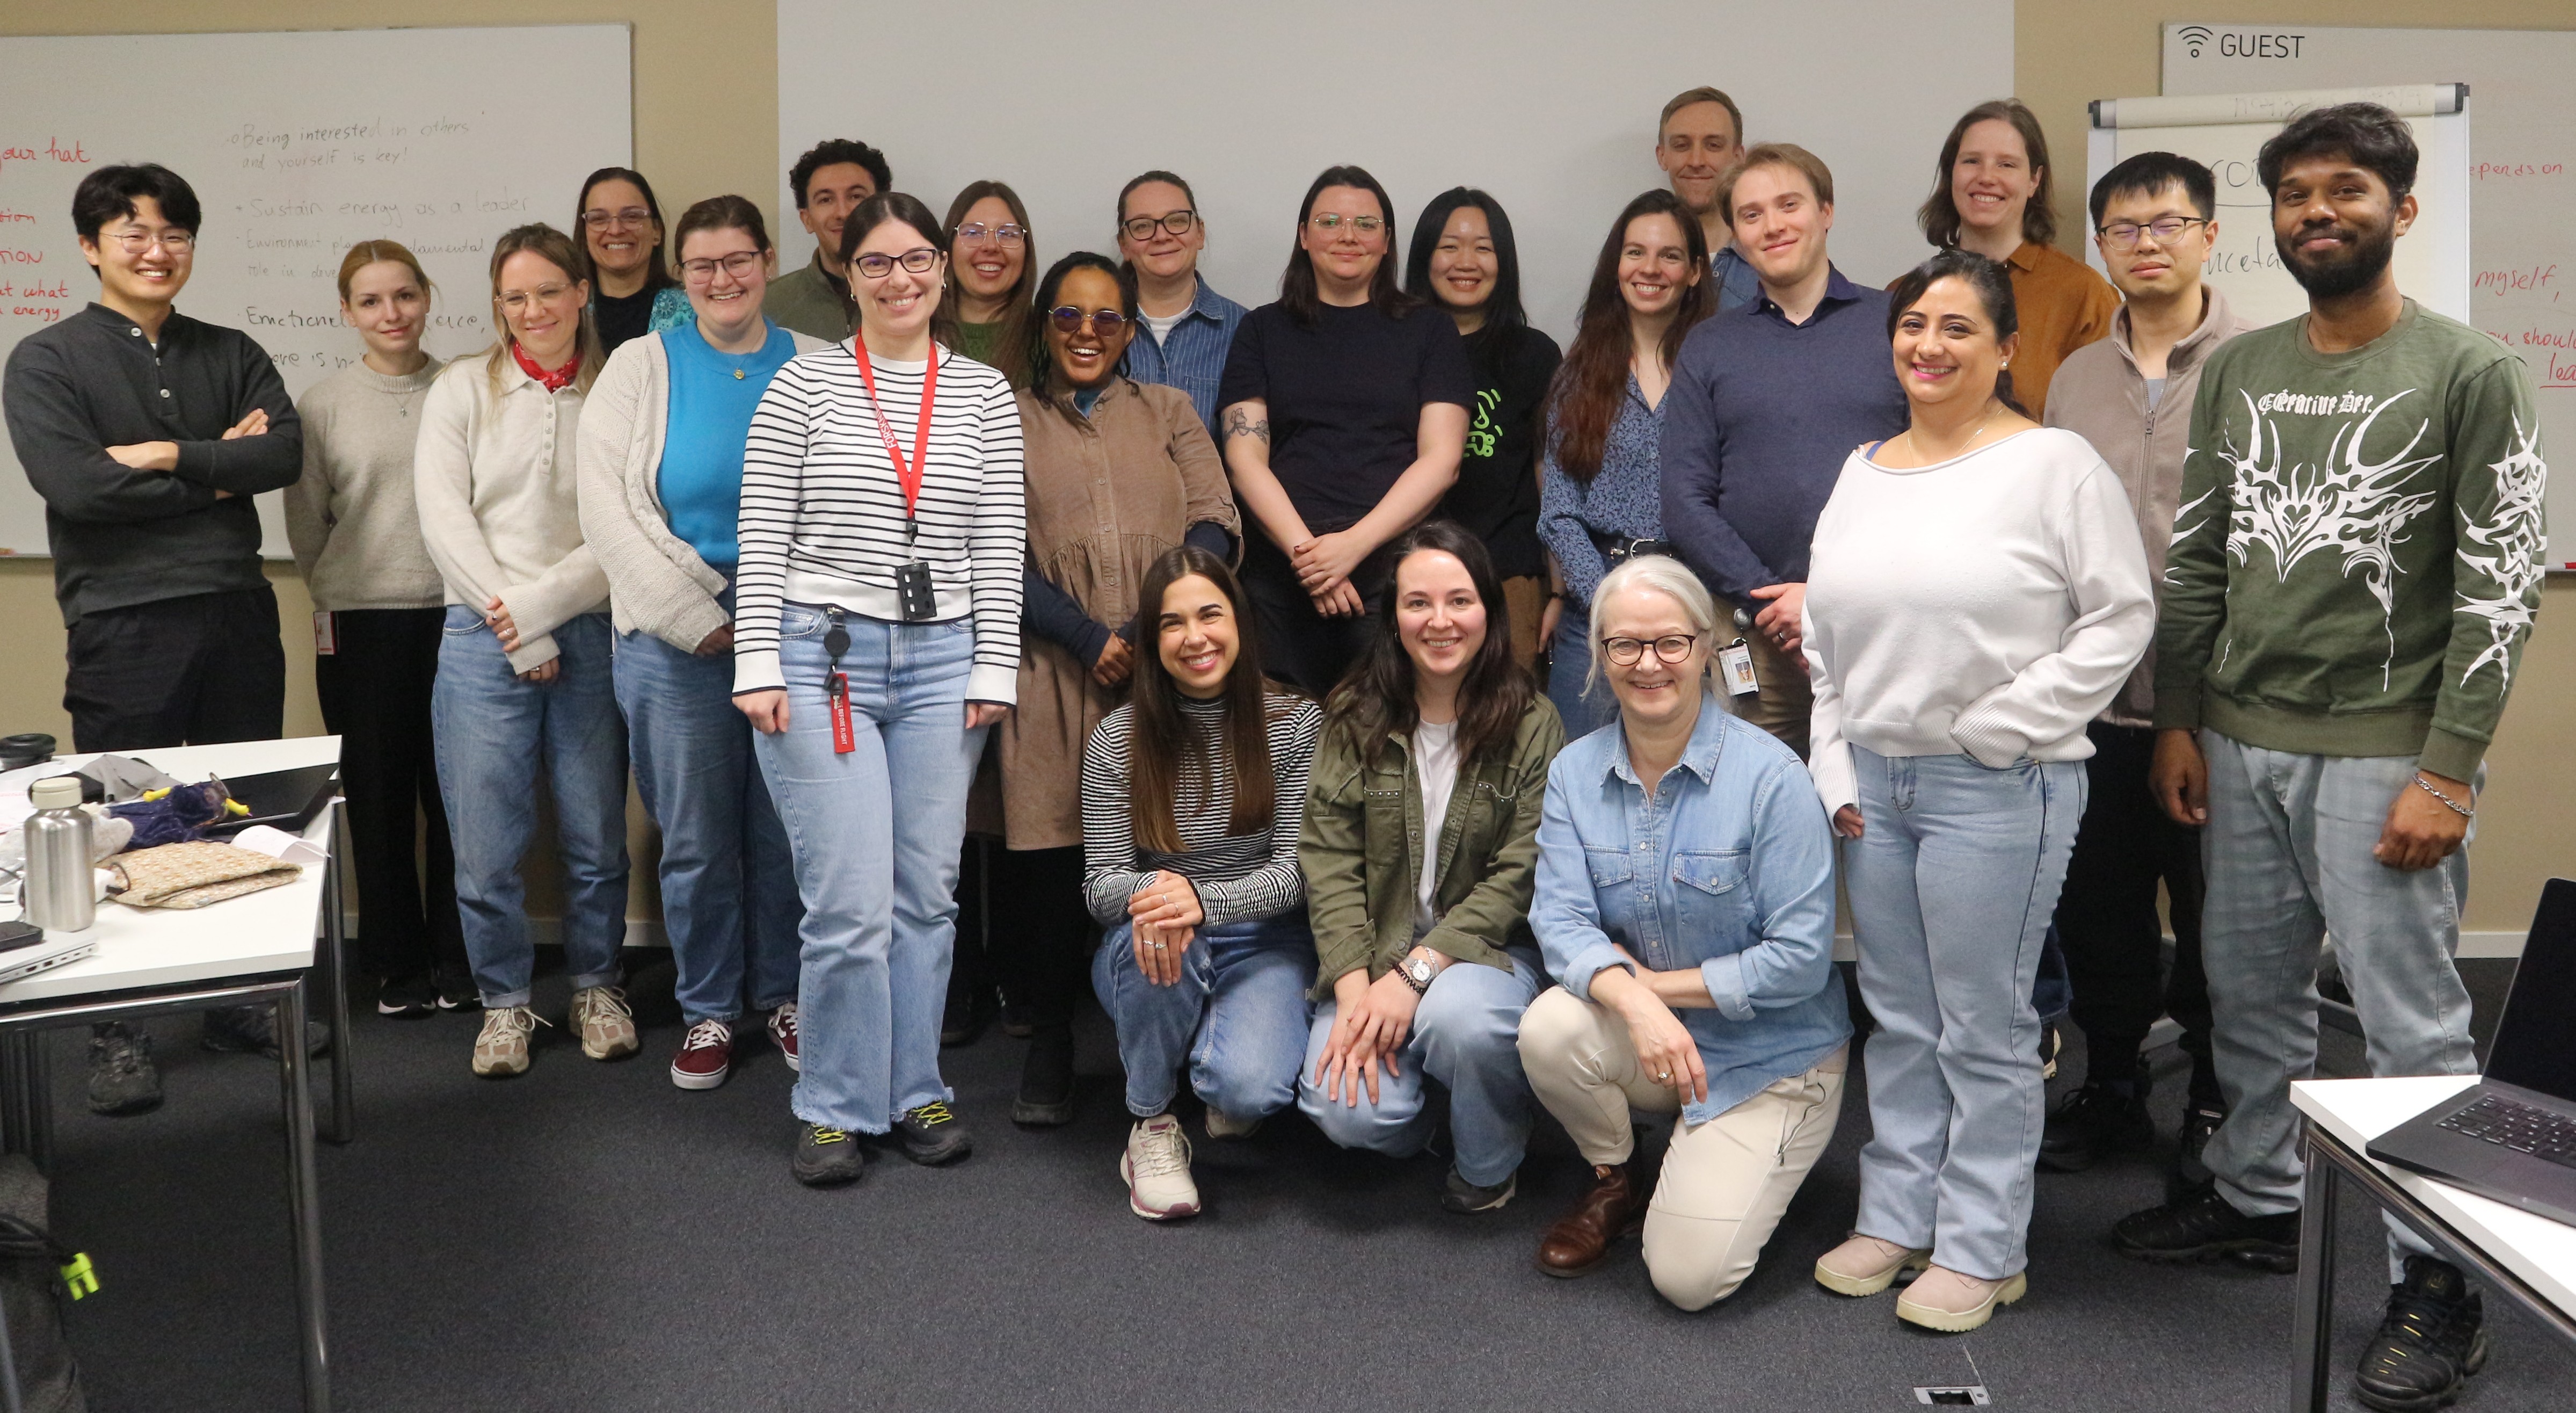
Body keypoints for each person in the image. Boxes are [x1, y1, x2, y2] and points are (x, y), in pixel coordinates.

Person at [2110, 104, 2548, 1413]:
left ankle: (2444, 1278)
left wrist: (2449, 766)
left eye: (2344, 190)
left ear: (2398, 211)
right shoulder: (2238, 372)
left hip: (2383, 756)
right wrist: (2179, 715)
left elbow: (2499, 587)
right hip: (2238, 743)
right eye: (2295, 194)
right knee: (2245, 995)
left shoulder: (2466, 370)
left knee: (2412, 1029)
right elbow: (2196, 559)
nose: (2317, 211)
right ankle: (2259, 1196)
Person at [1804, 250, 2153, 1332]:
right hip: (1877, 782)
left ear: (2005, 349)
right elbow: (1824, 636)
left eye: (1957, 328)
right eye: (1912, 324)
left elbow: (2120, 615)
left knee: (1983, 1025)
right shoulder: (1862, 466)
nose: (1927, 345)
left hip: (1998, 784)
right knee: (1898, 1017)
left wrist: (2003, 723)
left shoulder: (2052, 465)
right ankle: (1897, 1215)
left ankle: (1981, 1242)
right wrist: (1831, 758)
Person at [2, 162, 316, 1115]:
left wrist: (174, 453)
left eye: (174, 233)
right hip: (121, 621)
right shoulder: (47, 361)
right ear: (92, 247)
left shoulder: (230, 348)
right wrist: (222, 473)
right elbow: (82, 487)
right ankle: (118, 1028)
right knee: (115, 825)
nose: (156, 250)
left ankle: (237, 1003)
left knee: (235, 811)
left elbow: (285, 453)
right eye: (132, 233)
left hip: (235, 607)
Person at [733, 192, 1025, 1189]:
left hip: (947, 661)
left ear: (942, 267)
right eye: (876, 265)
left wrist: (995, 667)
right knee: (848, 902)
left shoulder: (982, 394)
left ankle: (913, 1089)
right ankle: (831, 1103)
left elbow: (996, 542)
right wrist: (757, 669)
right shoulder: (801, 388)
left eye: (916, 260)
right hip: (823, 661)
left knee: (924, 898)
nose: (900, 280)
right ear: (847, 276)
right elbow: (761, 533)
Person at [1518, 554, 1848, 1306]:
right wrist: (1637, 1007)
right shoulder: (1573, 771)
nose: (1648, 664)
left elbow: (1798, 961)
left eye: (1670, 642)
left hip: (1774, 1057)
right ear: (1599, 657)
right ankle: (1618, 1173)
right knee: (1547, 1025)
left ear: (1705, 647)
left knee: (1687, 1279)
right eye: (1624, 645)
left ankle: (1733, 1159)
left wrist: (1645, 988)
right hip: (1658, 1039)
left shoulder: (1772, 776)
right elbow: (1558, 918)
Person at [2033, 152, 2252, 1180]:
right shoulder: (2074, 378)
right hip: (2093, 710)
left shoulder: (2264, 363)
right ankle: (2112, 1082)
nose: (2146, 243)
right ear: (2103, 246)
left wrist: (2199, 707)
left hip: (2218, 711)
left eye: (2167, 224)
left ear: (2208, 234)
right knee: (2099, 915)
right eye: (2123, 228)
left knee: (2217, 924)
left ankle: (2215, 1097)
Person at [578, 196, 828, 1091]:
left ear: (767, 260)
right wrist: (698, 614)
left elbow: (836, 510)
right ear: (680, 277)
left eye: (737, 260)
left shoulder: (816, 364)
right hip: (671, 645)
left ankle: (785, 994)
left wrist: (765, 617)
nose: (722, 280)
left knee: (786, 832)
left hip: (791, 637)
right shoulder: (639, 367)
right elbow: (607, 512)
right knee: (693, 838)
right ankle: (711, 1009)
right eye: (701, 266)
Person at [1000, 251, 1239, 1126]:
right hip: (1051, 664)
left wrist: (1143, 633)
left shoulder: (1171, 411)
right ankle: (1051, 1039)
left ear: (1130, 332)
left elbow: (1215, 520)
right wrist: (1085, 636)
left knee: (1172, 849)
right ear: (1045, 327)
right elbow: (994, 552)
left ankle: (1175, 1038)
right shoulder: (1009, 418)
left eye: (1107, 319)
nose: (1088, 333)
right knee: (1054, 853)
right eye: (1069, 317)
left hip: (1165, 664)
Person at [415, 223, 633, 1079]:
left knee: (594, 836)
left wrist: (542, 613)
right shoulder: (464, 387)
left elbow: (624, 524)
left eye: (550, 290)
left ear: (582, 291)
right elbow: (444, 518)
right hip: (479, 636)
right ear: (497, 306)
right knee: (486, 844)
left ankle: (595, 985)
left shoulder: (623, 387)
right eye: (514, 296)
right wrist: (519, 626)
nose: (533, 309)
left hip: (591, 631)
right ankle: (504, 1002)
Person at [1297, 522, 1561, 1212]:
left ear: (1489, 613)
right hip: (1374, 956)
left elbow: (1519, 875)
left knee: (1462, 1022)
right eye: (1417, 603)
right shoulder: (1353, 715)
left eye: (1459, 601)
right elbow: (1326, 862)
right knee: (1345, 1112)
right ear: (1393, 617)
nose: (1439, 621)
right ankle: (1435, 1117)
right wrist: (1357, 995)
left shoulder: (1534, 722)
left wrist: (1415, 977)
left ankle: (1488, 1160)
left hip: (1484, 960)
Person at [1085, 546, 1320, 1220]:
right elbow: (1101, 887)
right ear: (1152, 639)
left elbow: (1297, 875)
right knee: (1160, 936)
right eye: (1171, 623)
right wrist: (1162, 898)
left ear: (1239, 623)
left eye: (1210, 615)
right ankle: (1152, 1124)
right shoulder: (1116, 739)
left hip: (1266, 941)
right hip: (1151, 947)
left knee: (1247, 1090)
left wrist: (1204, 900)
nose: (1195, 638)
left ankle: (1206, 1059)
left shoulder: (1296, 724)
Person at [1661, 144, 1908, 760]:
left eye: (1788, 205)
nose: (1771, 226)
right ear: (1736, 237)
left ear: (1825, 212)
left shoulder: (1897, 325)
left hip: (1882, 627)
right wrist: (1773, 603)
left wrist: (1824, 602)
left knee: (1870, 818)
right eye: (1750, 215)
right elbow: (1684, 497)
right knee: (1759, 819)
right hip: (1753, 636)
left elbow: (1932, 476)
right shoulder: (1710, 346)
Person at [286, 240, 472, 1018]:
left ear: (428, 296)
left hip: (461, 615)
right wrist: (345, 590)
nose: (390, 313)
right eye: (370, 301)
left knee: (462, 799)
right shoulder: (322, 404)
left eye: (403, 295)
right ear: (347, 312)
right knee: (380, 796)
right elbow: (306, 528)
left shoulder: (465, 386)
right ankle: (395, 963)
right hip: (361, 625)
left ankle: (459, 959)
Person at [1217, 166, 1471, 698]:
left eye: (1365, 223)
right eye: (1329, 221)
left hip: (1394, 577)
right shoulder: (1261, 329)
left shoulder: (1430, 330)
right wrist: (1311, 559)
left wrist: (1353, 548)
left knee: (1384, 752)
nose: (1348, 235)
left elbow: (1442, 460)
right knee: (1283, 753)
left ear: (1386, 242)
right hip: (1282, 576)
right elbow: (1244, 458)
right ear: (1304, 236)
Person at [1537, 192, 1712, 739]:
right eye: (1636, 252)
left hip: (1694, 617)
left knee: (1690, 786)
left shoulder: (1719, 370)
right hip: (1593, 620)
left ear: (1694, 272)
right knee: (1579, 783)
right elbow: (1558, 514)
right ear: (1616, 267)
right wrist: (1612, 608)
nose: (1650, 269)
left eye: (1669, 256)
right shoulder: (1579, 374)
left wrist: (1681, 613)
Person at [1405, 189, 1562, 675]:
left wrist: (1558, 590)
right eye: (1449, 246)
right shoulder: (1394, 347)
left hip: (1511, 576)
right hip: (1411, 574)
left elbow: (1549, 475)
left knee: (1510, 725)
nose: (1466, 262)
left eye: (1484, 247)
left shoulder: (1534, 354)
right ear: (1425, 256)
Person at [1911, 100, 2116, 421]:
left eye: (2006, 165)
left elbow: (2106, 419)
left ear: (2034, 180)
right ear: (1952, 173)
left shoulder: (2082, 292)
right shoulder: (1908, 293)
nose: (1986, 177)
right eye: (1971, 161)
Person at [1112, 170, 1247, 441]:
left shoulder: (1244, 330)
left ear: (1200, 233)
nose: (1161, 236)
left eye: (1176, 221)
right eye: (1142, 226)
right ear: (1124, 245)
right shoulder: (1097, 328)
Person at [768, 139, 890, 342]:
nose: (842, 213)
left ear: (885, 209)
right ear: (807, 220)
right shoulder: (770, 306)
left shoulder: (919, 297)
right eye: (826, 200)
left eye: (856, 196)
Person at [1653, 86, 1760, 311]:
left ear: (1738, 157)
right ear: (1662, 156)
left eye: (1713, 145)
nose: (1697, 161)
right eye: (1682, 145)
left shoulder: (1771, 261)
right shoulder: (1633, 263)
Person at [577, 167, 690, 354]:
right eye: (599, 219)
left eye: (631, 216)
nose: (615, 230)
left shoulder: (693, 314)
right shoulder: (567, 315)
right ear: (584, 233)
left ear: (656, 231)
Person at [942, 181, 1038, 387]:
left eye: (1008, 234)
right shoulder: (917, 331)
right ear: (947, 248)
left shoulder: (1049, 340)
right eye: (973, 233)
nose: (991, 246)